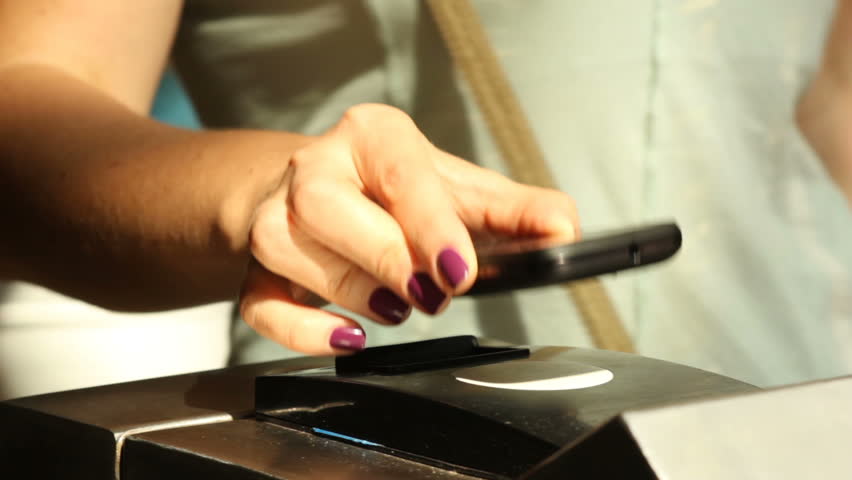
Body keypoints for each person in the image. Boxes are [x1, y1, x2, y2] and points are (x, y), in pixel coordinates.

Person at [0, 1, 849, 398]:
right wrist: (267, 191)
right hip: (416, 416)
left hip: (803, 401)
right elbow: (28, 86)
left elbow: (824, 96)